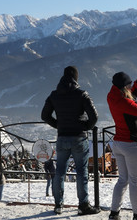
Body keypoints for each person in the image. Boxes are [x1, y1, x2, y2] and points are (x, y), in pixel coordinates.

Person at [41, 66, 100, 215]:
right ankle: (83, 205)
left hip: (62, 138)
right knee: (81, 171)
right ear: (76, 78)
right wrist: (85, 126)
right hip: (79, 138)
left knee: (59, 171)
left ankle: (58, 205)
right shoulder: (82, 94)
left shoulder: (54, 95)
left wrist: (58, 125)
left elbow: (44, 115)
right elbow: (94, 116)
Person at [107, 72, 137, 220]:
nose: (130, 86)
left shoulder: (112, 96)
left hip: (118, 144)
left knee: (123, 180)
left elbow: (130, 95)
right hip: (132, 145)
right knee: (135, 181)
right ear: (123, 86)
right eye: (128, 84)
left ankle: (114, 213)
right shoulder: (124, 102)